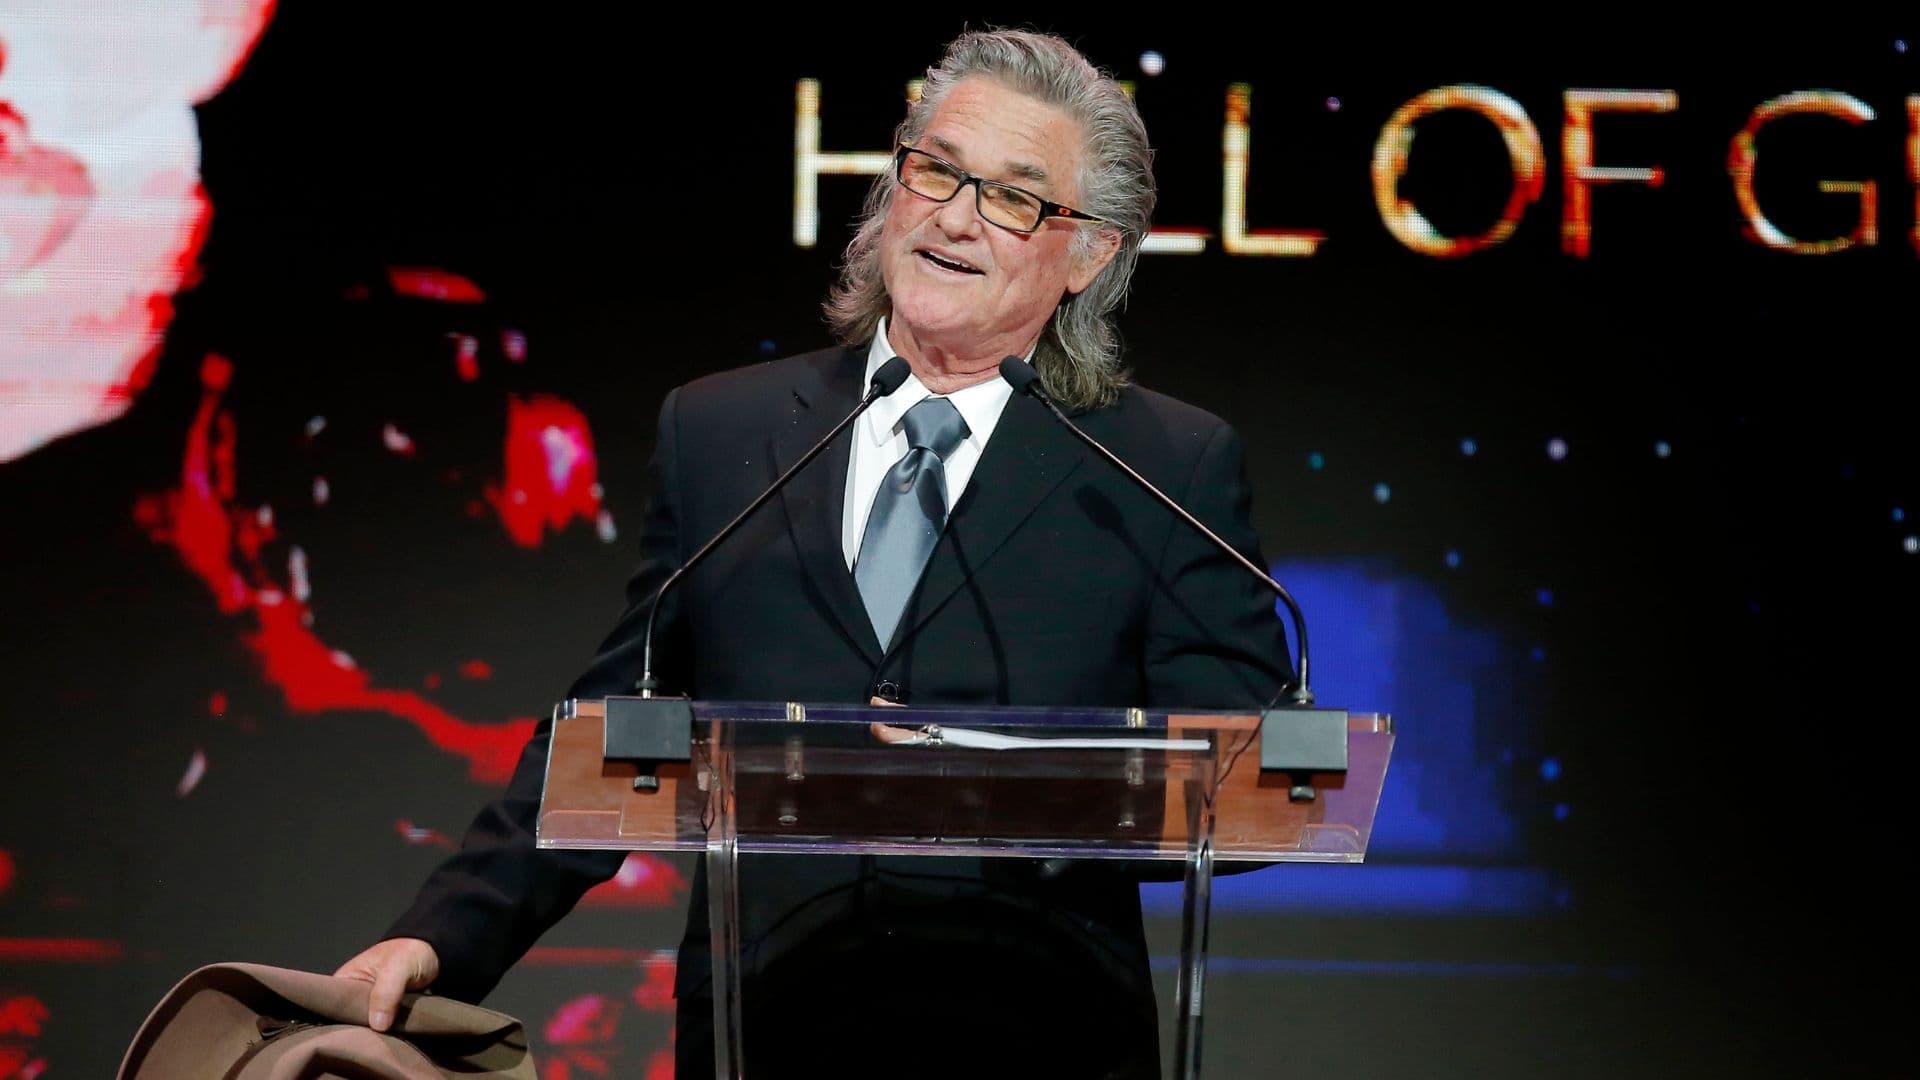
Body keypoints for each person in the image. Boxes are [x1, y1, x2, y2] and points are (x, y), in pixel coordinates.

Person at [335, 29, 1294, 1078]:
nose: (956, 217)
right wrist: (441, 937)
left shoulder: (1164, 465)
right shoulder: (726, 432)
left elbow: (1236, 784)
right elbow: (619, 728)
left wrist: (994, 789)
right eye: (935, 169)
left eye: (1015, 197)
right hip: (766, 1028)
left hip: (1035, 1030)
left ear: (1091, 252)